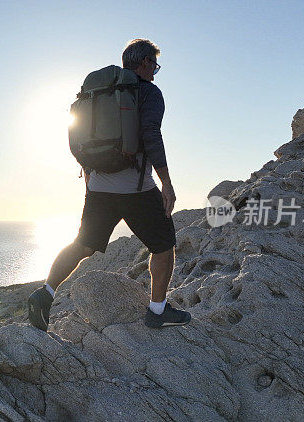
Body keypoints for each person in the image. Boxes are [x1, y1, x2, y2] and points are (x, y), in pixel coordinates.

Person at [27, 38, 191, 331]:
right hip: (136, 188)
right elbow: (151, 134)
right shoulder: (149, 92)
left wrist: (89, 171)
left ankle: (45, 293)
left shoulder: (99, 93)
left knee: (82, 245)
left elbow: (80, 135)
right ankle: (157, 311)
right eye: (154, 65)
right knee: (164, 246)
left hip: (99, 187)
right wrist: (166, 183)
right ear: (143, 64)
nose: (155, 71)